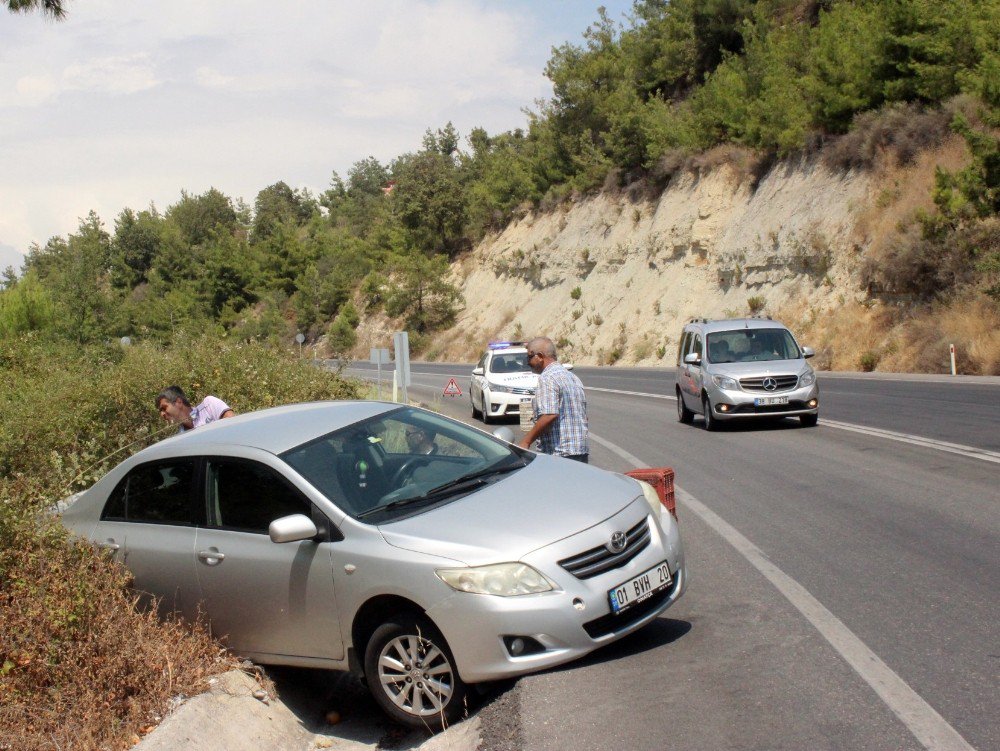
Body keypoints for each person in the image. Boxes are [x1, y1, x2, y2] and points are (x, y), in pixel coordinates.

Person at [518, 337, 589, 463]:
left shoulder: (547, 378)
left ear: (539, 356)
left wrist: (526, 441)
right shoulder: (573, 377)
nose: (528, 362)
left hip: (560, 454)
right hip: (580, 451)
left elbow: (549, 415)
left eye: (529, 357)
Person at [156, 386, 234, 432]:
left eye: (164, 408)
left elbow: (234, 425)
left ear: (179, 402)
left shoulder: (209, 405)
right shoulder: (180, 438)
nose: (162, 414)